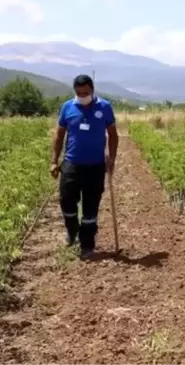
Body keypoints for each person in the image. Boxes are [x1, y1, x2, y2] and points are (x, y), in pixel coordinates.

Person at [50, 74, 118, 259]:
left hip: (95, 166)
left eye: (86, 93)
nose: (83, 96)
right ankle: (72, 232)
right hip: (72, 163)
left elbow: (113, 134)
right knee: (66, 201)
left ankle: (87, 243)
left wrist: (111, 159)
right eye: (79, 93)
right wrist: (54, 161)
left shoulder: (104, 107)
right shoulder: (67, 107)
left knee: (90, 207)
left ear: (92, 90)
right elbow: (59, 135)